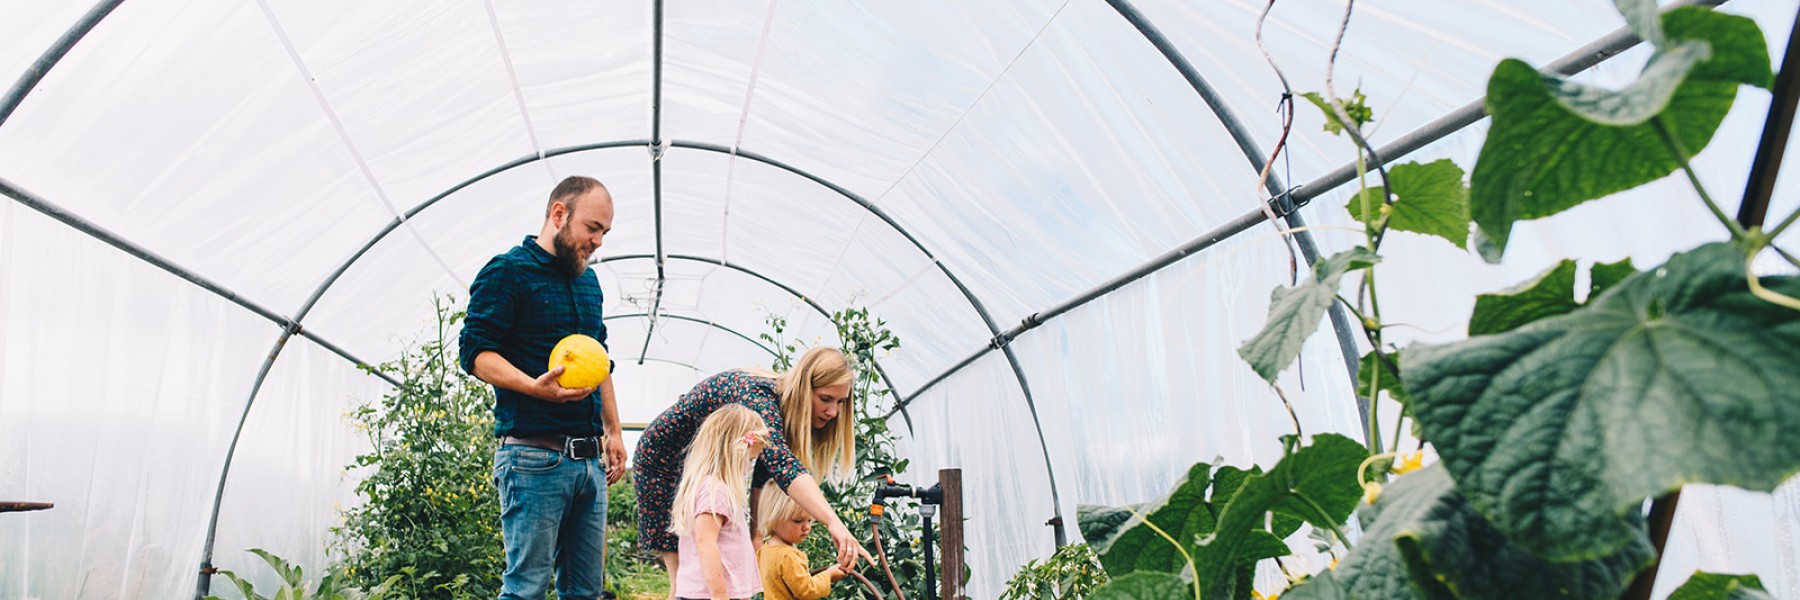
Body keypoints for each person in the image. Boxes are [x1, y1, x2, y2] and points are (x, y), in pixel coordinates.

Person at [458, 175, 628, 600]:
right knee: (526, 590)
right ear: (559, 214)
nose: (599, 241)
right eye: (593, 228)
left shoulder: (589, 282)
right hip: (533, 457)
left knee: (585, 592)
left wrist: (615, 430)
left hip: (589, 462)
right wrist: (534, 387)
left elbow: (600, 359)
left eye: (604, 232)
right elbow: (476, 352)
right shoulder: (508, 272)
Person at [634, 347, 869, 590]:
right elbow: (781, 465)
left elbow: (764, 471)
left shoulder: (778, 410)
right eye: (825, 399)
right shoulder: (759, 396)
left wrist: (756, 536)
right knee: (688, 575)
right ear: (803, 386)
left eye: (841, 402)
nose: (833, 412)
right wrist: (833, 522)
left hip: (699, 466)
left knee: (712, 569)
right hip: (663, 462)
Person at [669, 405, 770, 600]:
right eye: (749, 460)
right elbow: (705, 542)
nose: (749, 468)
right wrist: (720, 595)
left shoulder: (711, 488)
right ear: (734, 451)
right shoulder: (715, 491)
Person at [755, 483, 847, 600]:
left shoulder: (765, 550)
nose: (807, 527)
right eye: (798, 521)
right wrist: (829, 575)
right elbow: (806, 591)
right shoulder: (788, 556)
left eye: (809, 520)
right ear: (774, 519)